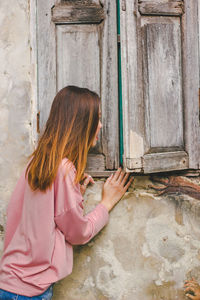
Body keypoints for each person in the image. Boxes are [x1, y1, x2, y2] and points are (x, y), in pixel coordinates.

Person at [0, 86, 133, 299]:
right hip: (29, 292)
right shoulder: (64, 170)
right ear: (80, 124)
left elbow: (43, 217)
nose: (100, 126)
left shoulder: (37, 163)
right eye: (96, 119)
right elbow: (77, 232)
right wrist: (106, 204)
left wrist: (74, 192)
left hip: (10, 284)